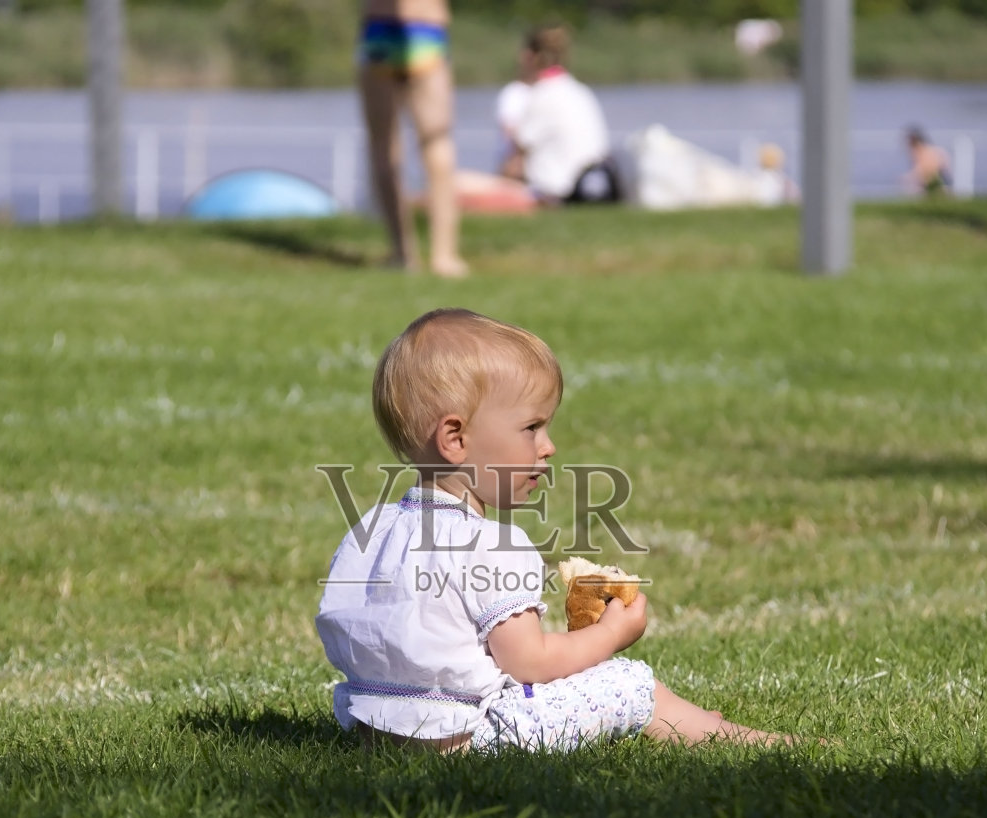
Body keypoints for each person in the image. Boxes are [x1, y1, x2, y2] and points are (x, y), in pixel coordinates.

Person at [315, 308, 799, 753]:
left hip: (377, 734)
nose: (548, 446)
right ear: (456, 438)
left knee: (604, 682)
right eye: (531, 428)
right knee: (625, 682)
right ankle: (739, 738)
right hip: (470, 737)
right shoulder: (492, 543)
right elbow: (531, 663)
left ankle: (684, 718)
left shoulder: (373, 530)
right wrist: (611, 633)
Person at [456, 25, 619, 212]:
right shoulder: (582, 91)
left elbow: (514, 164)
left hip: (553, 196)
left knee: (453, 184)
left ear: (528, 57)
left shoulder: (542, 95)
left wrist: (498, 185)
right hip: (592, 187)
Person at [358, 0, 467, 277]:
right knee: (437, 143)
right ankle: (445, 257)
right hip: (426, 28)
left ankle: (402, 254)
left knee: (383, 145)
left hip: (380, 29)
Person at [903, 126, 951, 196]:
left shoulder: (926, 153)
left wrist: (909, 178)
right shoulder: (923, 152)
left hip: (936, 184)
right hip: (932, 183)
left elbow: (927, 170)